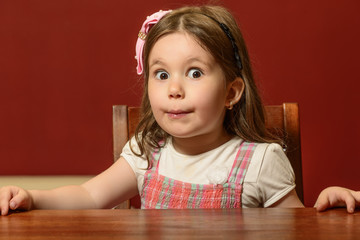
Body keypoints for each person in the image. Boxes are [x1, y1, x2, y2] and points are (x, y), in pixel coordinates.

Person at [0, 5, 359, 216]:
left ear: (231, 92)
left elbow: (296, 229)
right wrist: (34, 198)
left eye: (195, 73)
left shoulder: (261, 161)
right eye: (161, 74)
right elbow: (90, 196)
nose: (174, 89)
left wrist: (324, 210)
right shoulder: (147, 152)